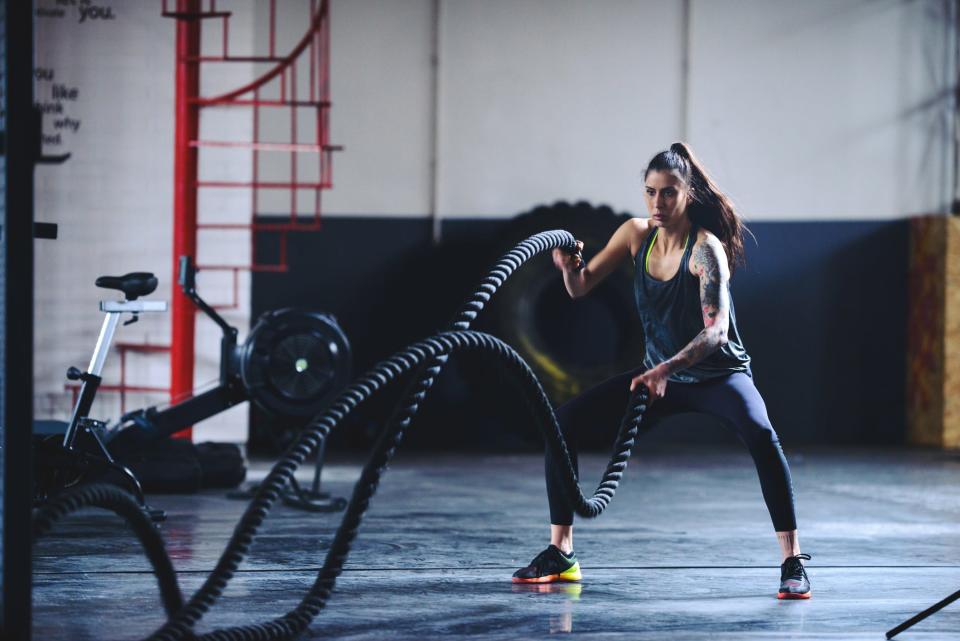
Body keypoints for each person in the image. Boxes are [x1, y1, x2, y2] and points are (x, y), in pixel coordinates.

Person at [511, 142, 811, 599]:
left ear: (687, 194)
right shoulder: (635, 234)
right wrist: (568, 269)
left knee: (760, 433)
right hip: (657, 378)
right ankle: (562, 553)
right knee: (563, 422)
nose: (657, 203)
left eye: (668, 193)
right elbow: (581, 287)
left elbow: (717, 333)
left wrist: (667, 367)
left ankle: (792, 561)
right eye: (650, 192)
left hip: (717, 377)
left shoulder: (705, 250)